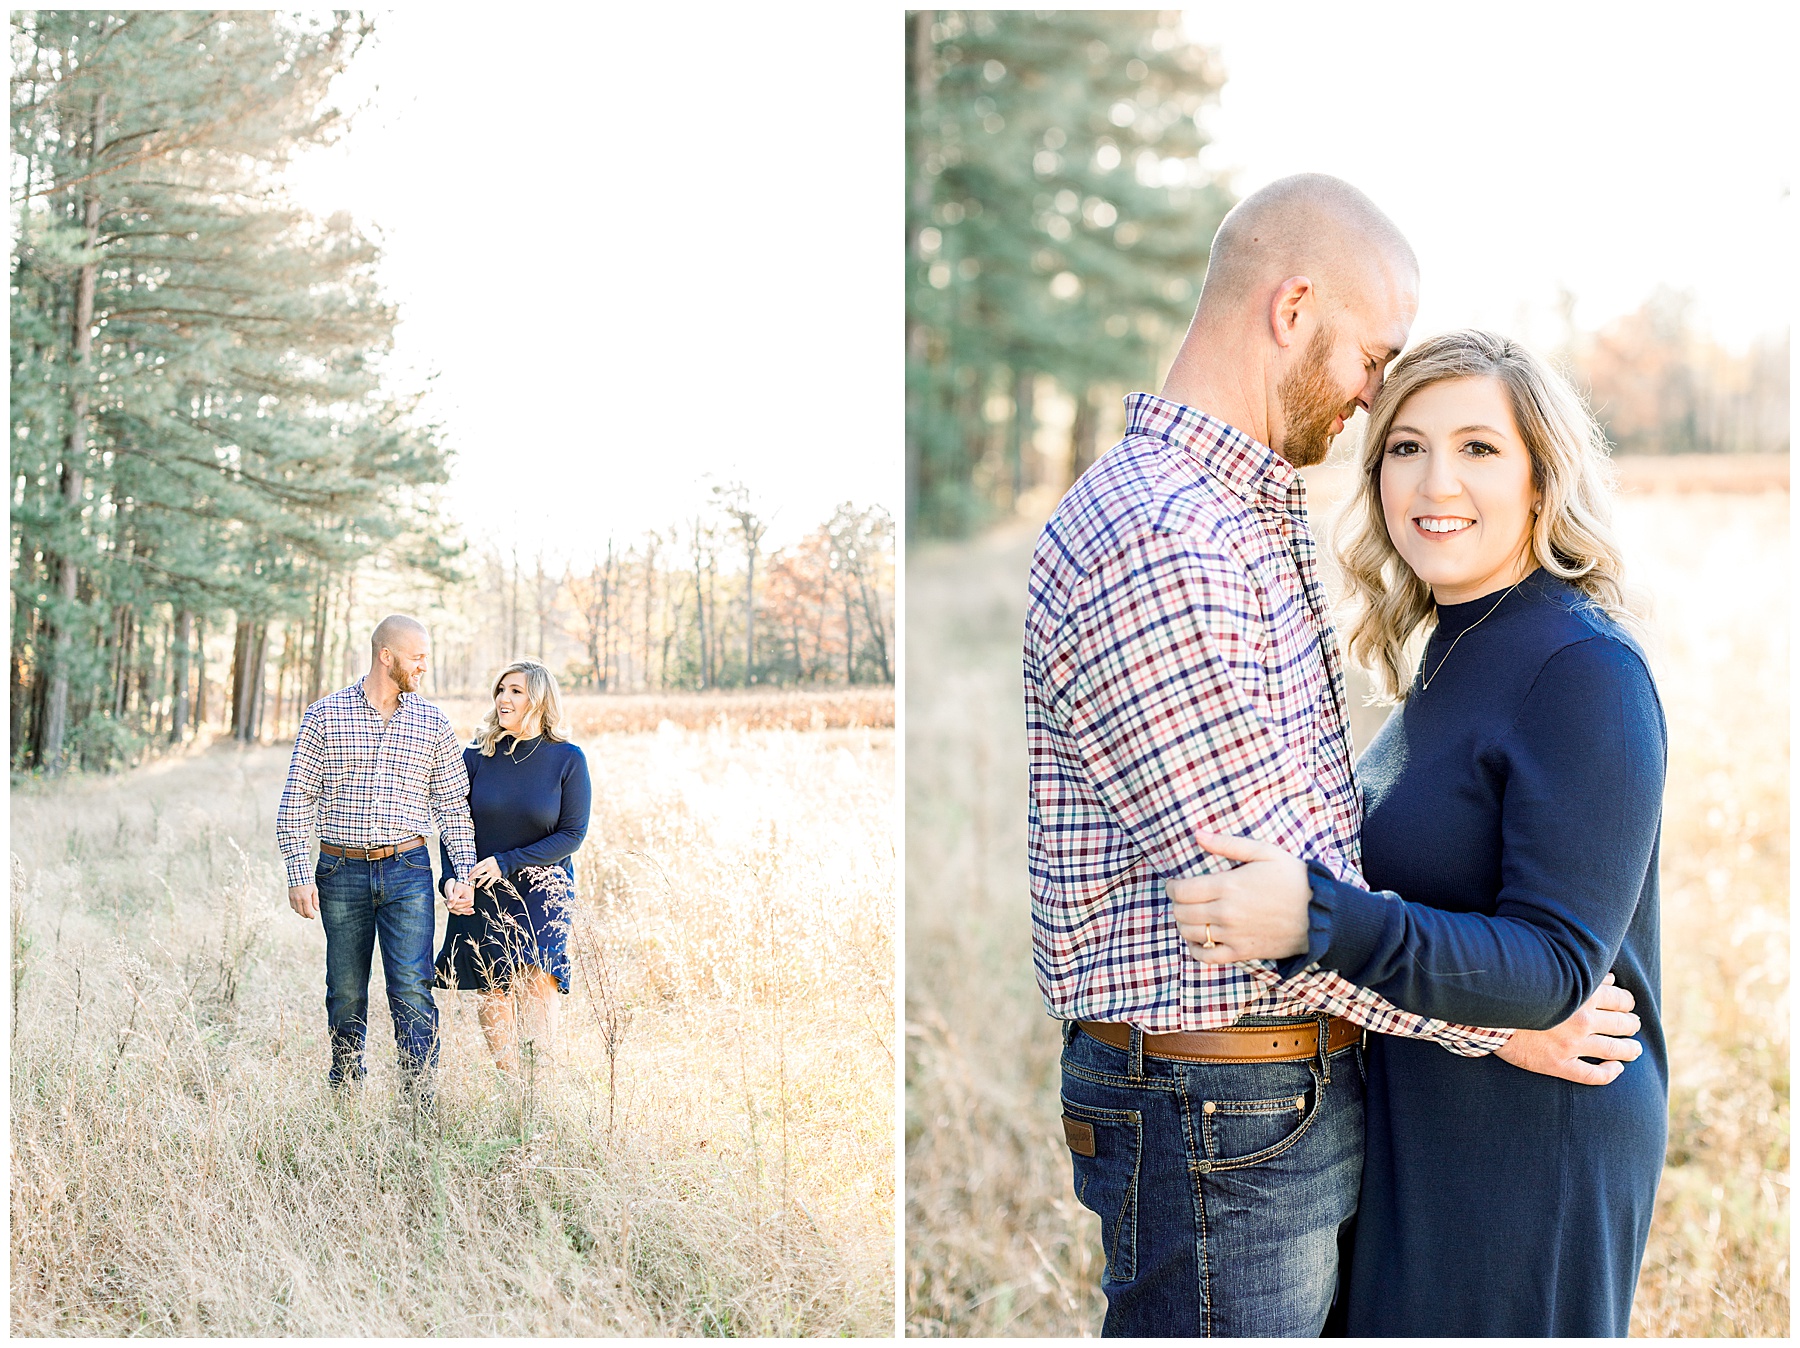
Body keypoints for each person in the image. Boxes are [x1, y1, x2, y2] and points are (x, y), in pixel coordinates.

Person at [1024, 174, 1638, 1337]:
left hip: (1260, 1100)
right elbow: (1258, 908)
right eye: (1375, 359)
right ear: (1293, 307)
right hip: (1220, 1100)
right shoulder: (1165, 536)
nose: (1369, 400)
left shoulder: (1237, 513)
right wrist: (1507, 1020)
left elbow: (1309, 878)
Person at [1167, 330, 1666, 1336]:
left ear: (1540, 479)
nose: (1437, 480)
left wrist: (1318, 917)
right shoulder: (1451, 648)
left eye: (1480, 447)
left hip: (1529, 1148)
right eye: (1406, 446)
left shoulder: (1583, 670)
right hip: (1425, 1114)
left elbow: (1558, 965)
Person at [276, 614, 477, 1101]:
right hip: (339, 870)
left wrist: (464, 874)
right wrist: (299, 874)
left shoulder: (432, 723)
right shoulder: (325, 715)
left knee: (411, 986)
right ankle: (346, 1087)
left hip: (407, 870)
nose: (425, 666)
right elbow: (296, 799)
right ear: (386, 656)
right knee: (345, 989)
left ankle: (418, 1100)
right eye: (418, 656)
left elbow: (453, 807)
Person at [434, 659, 591, 1077]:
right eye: (501, 690)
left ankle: (541, 1081)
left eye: (516, 691)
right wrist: (451, 879)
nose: (504, 698)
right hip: (483, 887)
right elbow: (454, 825)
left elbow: (572, 834)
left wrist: (507, 862)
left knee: (539, 979)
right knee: (494, 986)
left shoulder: (567, 759)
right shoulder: (477, 758)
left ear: (538, 699)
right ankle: (512, 1085)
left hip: (545, 887)